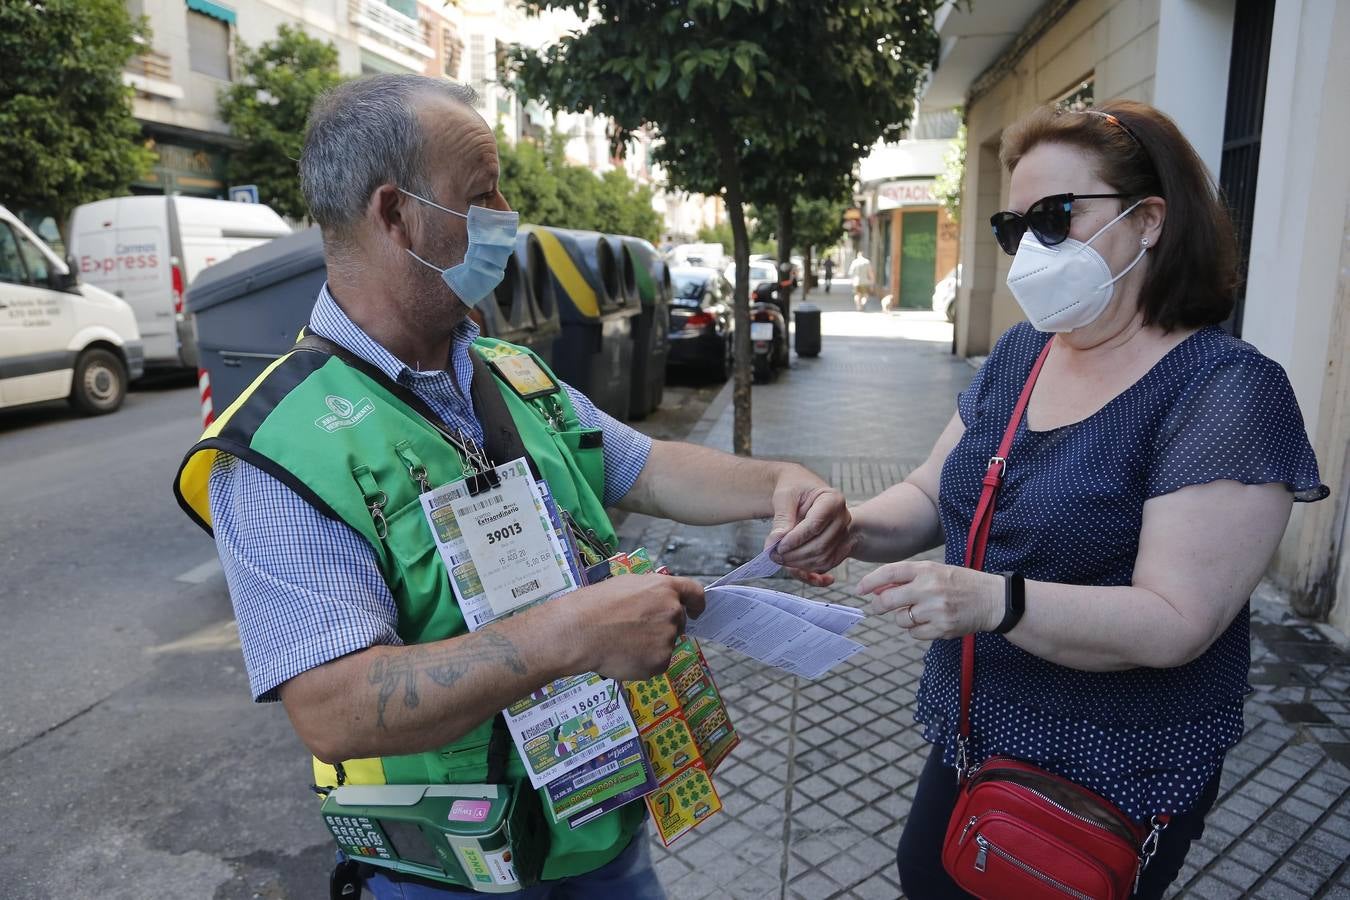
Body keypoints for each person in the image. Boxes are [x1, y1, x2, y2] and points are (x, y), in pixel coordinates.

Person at [172, 75, 850, 900]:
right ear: (396, 214)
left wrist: (780, 480)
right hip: (449, 874)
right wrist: (570, 633)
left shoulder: (508, 371)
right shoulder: (274, 449)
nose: (507, 214)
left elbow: (647, 465)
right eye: (481, 194)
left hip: (597, 828)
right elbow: (332, 706)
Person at [840, 101, 1327, 898]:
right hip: (975, 727)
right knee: (928, 877)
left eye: (1057, 217)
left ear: (1149, 222)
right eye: (1016, 227)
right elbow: (935, 488)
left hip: (1112, 766)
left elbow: (1177, 621)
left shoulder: (1225, 391)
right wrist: (849, 526)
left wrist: (993, 601)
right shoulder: (1025, 352)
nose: (1033, 248)